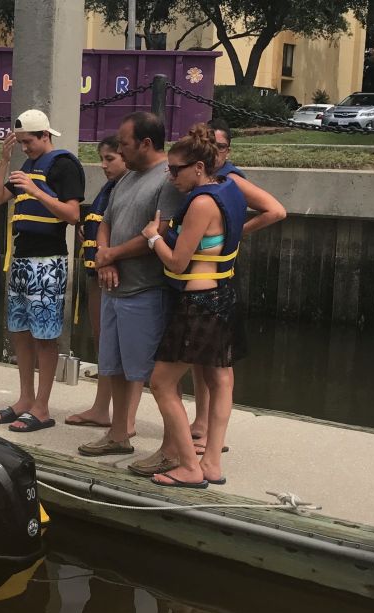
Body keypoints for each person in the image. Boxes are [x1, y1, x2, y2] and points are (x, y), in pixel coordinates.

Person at [140, 123, 249, 488]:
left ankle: (189, 466)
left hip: (199, 303)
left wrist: (154, 237)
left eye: (175, 170)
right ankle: (212, 464)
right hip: (224, 296)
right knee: (221, 379)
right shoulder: (230, 189)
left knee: (161, 382)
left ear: (199, 168)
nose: (170, 177)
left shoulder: (201, 203)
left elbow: (176, 262)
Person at [81, 112, 183, 465]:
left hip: (145, 291)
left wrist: (110, 254)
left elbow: (157, 235)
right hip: (114, 290)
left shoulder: (166, 181)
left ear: (146, 143)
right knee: (117, 367)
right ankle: (118, 434)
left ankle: (172, 449)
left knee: (158, 376)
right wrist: (104, 259)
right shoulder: (126, 179)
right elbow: (106, 222)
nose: (120, 150)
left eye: (125, 144)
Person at [187, 119, 286, 454]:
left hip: (218, 277)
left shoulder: (229, 180)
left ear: (228, 150)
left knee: (217, 362)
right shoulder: (199, 179)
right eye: (209, 144)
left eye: (221, 146)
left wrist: (236, 233)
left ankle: (211, 435)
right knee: (202, 358)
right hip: (198, 277)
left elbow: (275, 211)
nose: (215, 151)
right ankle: (201, 423)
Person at [0, 109, 85, 433]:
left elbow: (72, 214)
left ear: (45, 135)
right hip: (20, 259)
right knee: (20, 331)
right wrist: (4, 161)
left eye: (29, 142)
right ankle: (24, 399)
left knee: (45, 336)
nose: (25, 148)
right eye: (21, 143)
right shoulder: (26, 166)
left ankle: (42, 407)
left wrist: (35, 190)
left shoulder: (63, 165)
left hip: (48, 261)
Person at [66, 134, 127, 432]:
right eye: (102, 159)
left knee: (125, 350)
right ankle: (102, 407)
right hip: (96, 273)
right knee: (104, 345)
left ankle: (125, 418)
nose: (103, 165)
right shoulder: (110, 187)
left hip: (118, 276)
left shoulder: (130, 187)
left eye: (110, 159)